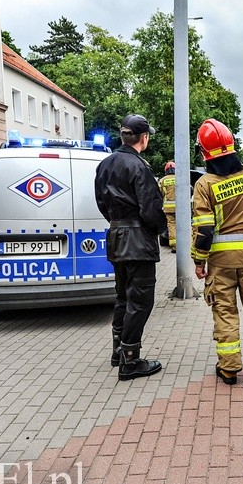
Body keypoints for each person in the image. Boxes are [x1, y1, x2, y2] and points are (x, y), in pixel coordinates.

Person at [191, 118, 243, 385]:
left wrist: (199, 261)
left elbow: (204, 231)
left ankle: (229, 369)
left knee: (225, 312)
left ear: (205, 153)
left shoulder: (204, 184)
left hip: (220, 261)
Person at [94, 114, 166, 381]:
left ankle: (118, 352)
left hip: (116, 236)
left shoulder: (105, 165)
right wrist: (159, 229)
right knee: (140, 301)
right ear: (143, 137)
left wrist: (118, 224)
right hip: (138, 240)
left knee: (123, 296)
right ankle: (131, 360)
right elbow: (151, 208)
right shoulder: (140, 167)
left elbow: (101, 203)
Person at [159, 161, 176, 253]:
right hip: (181, 209)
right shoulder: (180, 178)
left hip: (168, 208)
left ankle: (174, 246)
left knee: (171, 225)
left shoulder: (162, 180)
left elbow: (158, 194)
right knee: (183, 226)